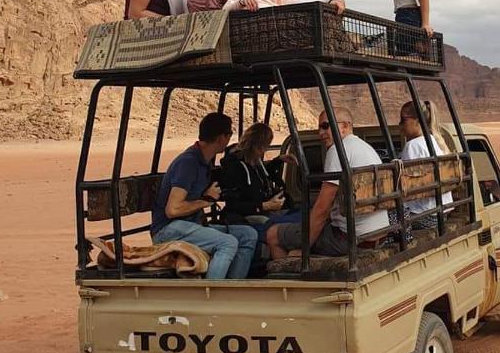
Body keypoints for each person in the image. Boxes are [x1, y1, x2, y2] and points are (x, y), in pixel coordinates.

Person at [267, 107, 390, 259]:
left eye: (326, 126)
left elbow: (322, 209)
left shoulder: (338, 150)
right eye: (319, 128)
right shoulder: (365, 148)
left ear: (345, 126)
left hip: (349, 239)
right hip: (377, 234)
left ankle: (289, 276)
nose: (320, 133)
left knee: (273, 234)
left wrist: (304, 248)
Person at [151, 112, 258, 279]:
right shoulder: (188, 163)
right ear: (221, 138)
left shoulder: (204, 161)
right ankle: (211, 294)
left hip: (189, 224)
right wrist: (206, 200)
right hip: (168, 228)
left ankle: (232, 288)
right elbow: (172, 210)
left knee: (248, 235)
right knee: (227, 243)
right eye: (229, 134)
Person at [218, 122, 301, 239]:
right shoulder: (236, 168)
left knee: (302, 214)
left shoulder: (254, 162)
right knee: (291, 226)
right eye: (262, 147)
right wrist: (264, 206)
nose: (264, 151)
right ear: (254, 145)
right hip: (249, 215)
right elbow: (233, 204)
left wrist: (279, 160)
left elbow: (260, 176)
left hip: (264, 209)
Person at [398, 99, 453, 229]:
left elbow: (406, 184)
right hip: (441, 212)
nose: (400, 125)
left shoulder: (412, 145)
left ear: (417, 120)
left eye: (403, 120)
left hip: (424, 215)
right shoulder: (434, 140)